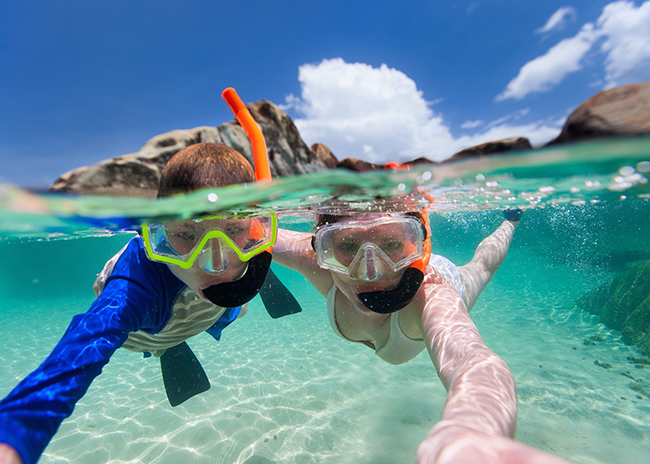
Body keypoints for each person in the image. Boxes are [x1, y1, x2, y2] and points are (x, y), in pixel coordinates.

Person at [0, 143, 279, 464]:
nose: (214, 264)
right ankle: (166, 347)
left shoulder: (248, 245)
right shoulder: (136, 289)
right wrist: (13, 439)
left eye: (232, 230)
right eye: (187, 235)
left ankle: (208, 317)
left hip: (206, 311)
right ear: (158, 228)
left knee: (234, 307)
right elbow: (75, 355)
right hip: (147, 329)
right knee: (204, 311)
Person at [273, 205, 573, 464]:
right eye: (349, 247)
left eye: (390, 244)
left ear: (418, 243)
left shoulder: (432, 299)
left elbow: (474, 362)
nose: (370, 272)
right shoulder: (315, 261)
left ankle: (511, 221)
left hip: (439, 280)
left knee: (483, 265)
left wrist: (472, 433)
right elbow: (255, 232)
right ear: (321, 247)